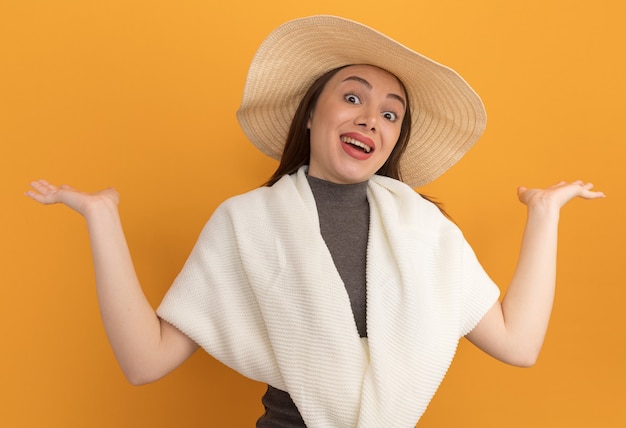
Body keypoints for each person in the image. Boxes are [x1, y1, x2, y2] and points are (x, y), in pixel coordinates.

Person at [25, 15, 604, 427]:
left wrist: (544, 214)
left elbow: (518, 344)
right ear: (311, 114)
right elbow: (144, 360)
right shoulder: (246, 223)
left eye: (390, 113)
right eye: (353, 98)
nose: (371, 119)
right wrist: (101, 218)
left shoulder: (425, 231)